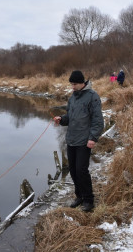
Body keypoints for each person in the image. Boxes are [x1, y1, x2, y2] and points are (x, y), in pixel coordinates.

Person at [53, 70, 104, 212]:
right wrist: (61, 119)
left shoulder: (93, 97)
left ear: (82, 83)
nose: (72, 87)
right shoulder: (73, 97)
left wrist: (93, 138)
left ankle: (89, 200)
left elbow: (98, 120)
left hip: (84, 140)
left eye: (74, 84)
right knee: (74, 171)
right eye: (71, 84)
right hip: (71, 139)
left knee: (81, 170)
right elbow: (69, 117)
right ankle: (79, 196)